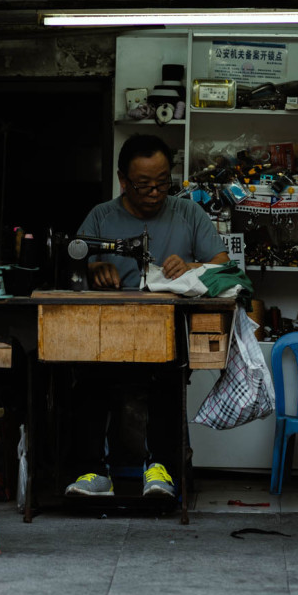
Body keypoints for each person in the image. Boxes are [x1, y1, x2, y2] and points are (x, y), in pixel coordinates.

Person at [65, 134, 229, 499]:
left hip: (166, 331)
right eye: (143, 185)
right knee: (88, 382)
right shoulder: (101, 216)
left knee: (167, 381)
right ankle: (93, 471)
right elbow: (76, 261)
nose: (155, 193)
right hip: (105, 333)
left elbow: (224, 268)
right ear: (123, 181)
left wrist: (191, 267)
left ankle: (161, 470)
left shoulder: (188, 213)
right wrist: (95, 269)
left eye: (162, 183)